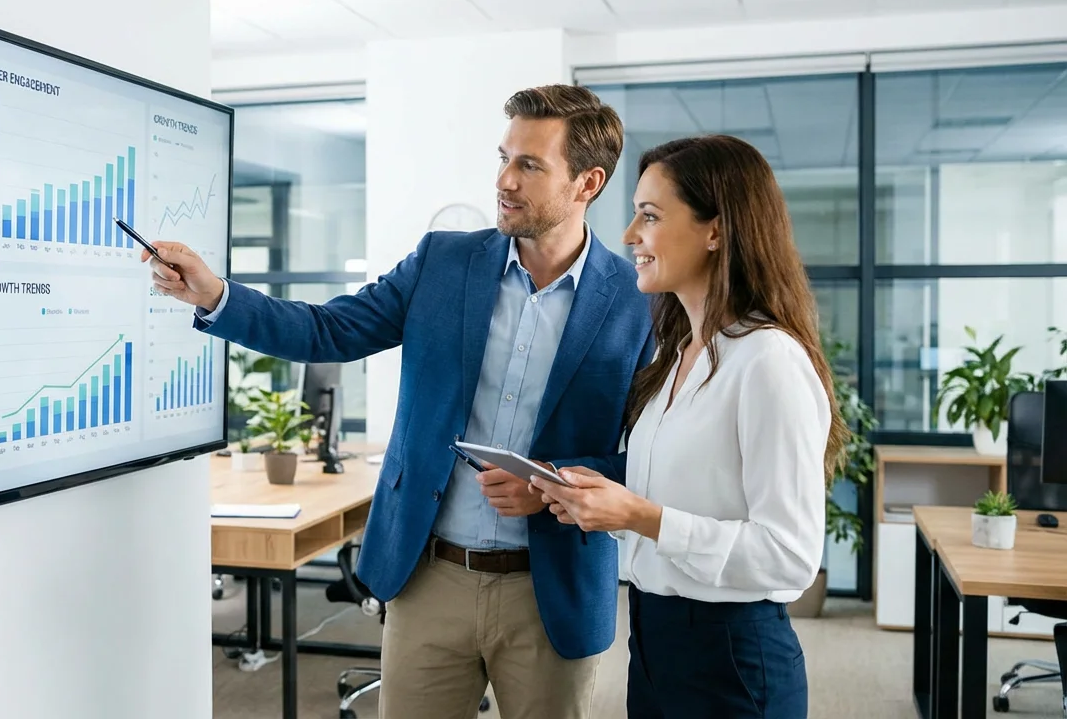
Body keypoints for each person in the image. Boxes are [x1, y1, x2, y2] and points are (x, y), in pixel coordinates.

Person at [143, 84, 653, 719]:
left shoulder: (638, 300)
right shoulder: (444, 261)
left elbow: (656, 455)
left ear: (587, 183)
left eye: (529, 165)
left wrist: (558, 487)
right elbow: (328, 329)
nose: (505, 180)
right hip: (428, 576)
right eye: (503, 157)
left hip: (553, 587)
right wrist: (216, 294)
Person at [530, 134, 849, 719]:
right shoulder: (677, 357)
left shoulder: (768, 361)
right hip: (655, 641)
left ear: (716, 230)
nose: (629, 236)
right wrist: (589, 498)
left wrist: (638, 516)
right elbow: (675, 500)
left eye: (649, 216)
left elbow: (789, 555)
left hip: (731, 656)